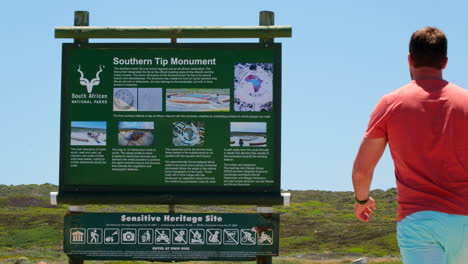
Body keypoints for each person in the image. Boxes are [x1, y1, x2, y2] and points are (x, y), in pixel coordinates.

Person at [352, 27, 468, 264]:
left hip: (418, 222)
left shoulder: (391, 103)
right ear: (445, 62)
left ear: (409, 59)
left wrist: (362, 200)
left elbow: (362, 170)